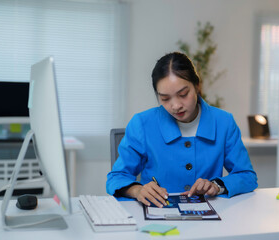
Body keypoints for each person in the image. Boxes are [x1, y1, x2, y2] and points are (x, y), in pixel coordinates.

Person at [106, 52, 257, 208]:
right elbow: (116, 177)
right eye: (165, 98)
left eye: (183, 94)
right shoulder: (142, 124)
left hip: (209, 218)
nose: (175, 105)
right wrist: (137, 190)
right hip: (156, 215)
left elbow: (246, 176)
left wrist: (216, 186)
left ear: (198, 86)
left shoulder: (223, 122)